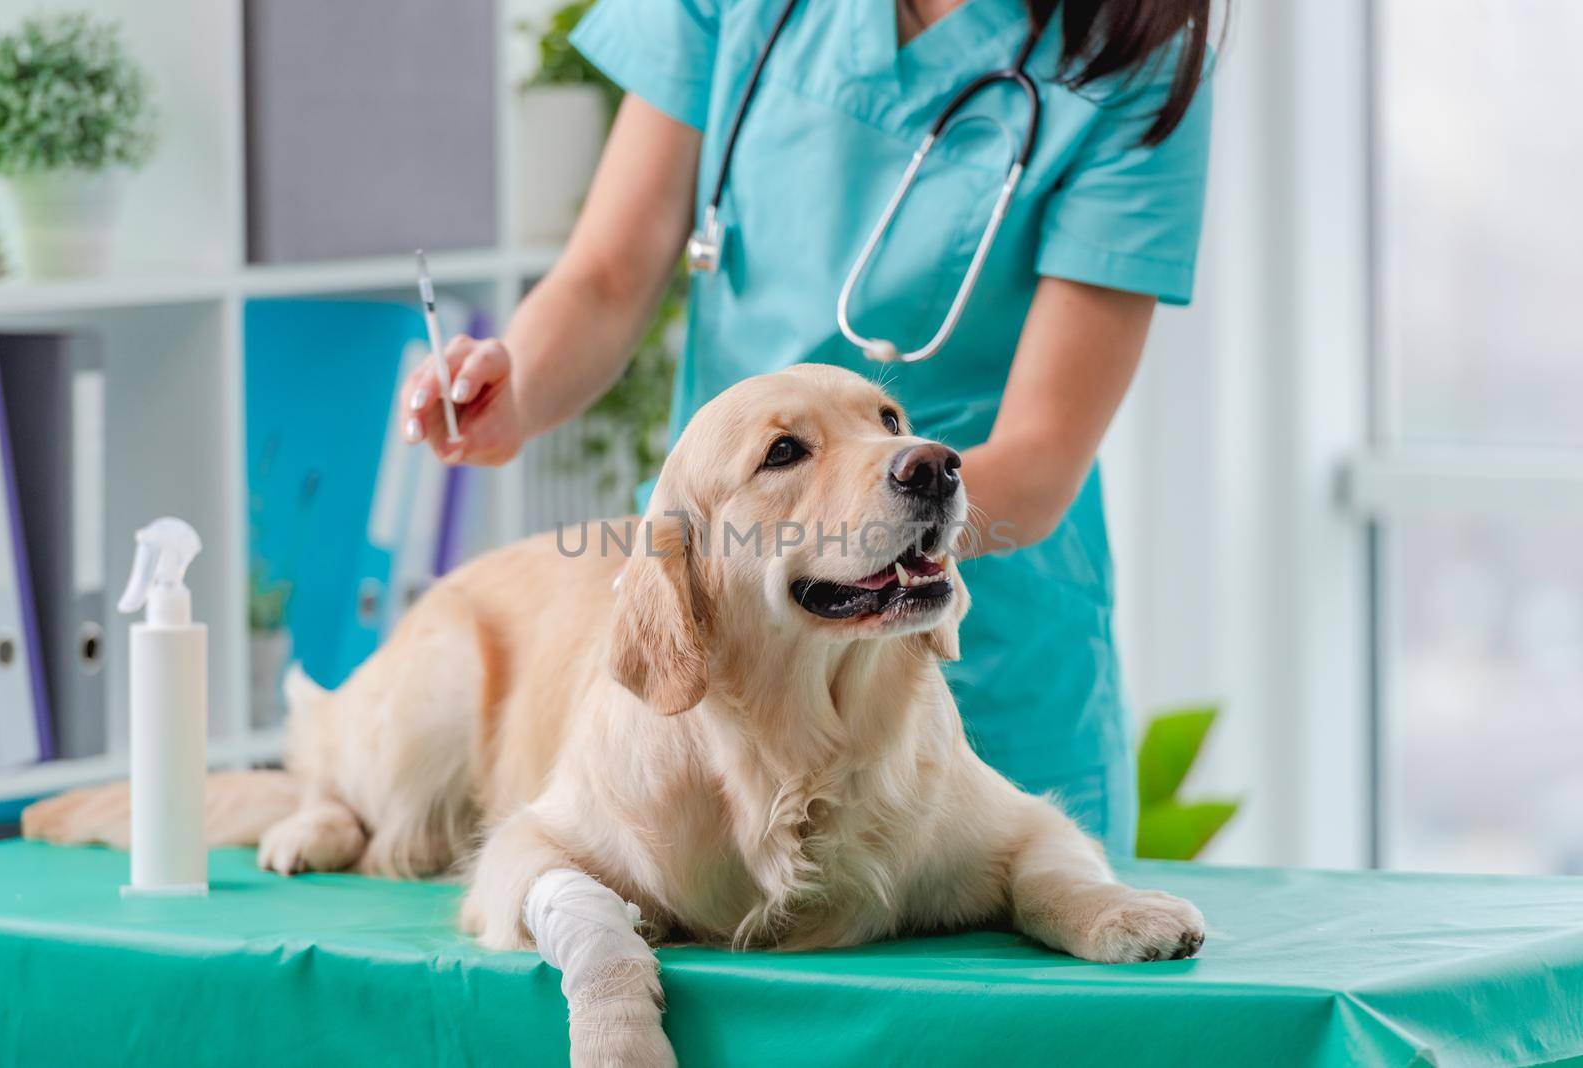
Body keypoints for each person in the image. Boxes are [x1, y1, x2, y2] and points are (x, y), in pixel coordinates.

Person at [401, 0, 1214, 851]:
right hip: (728, 667)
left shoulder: (1137, 60)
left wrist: (862, 533)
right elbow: (606, 275)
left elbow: (1041, 461)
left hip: (986, 654)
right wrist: (515, 387)